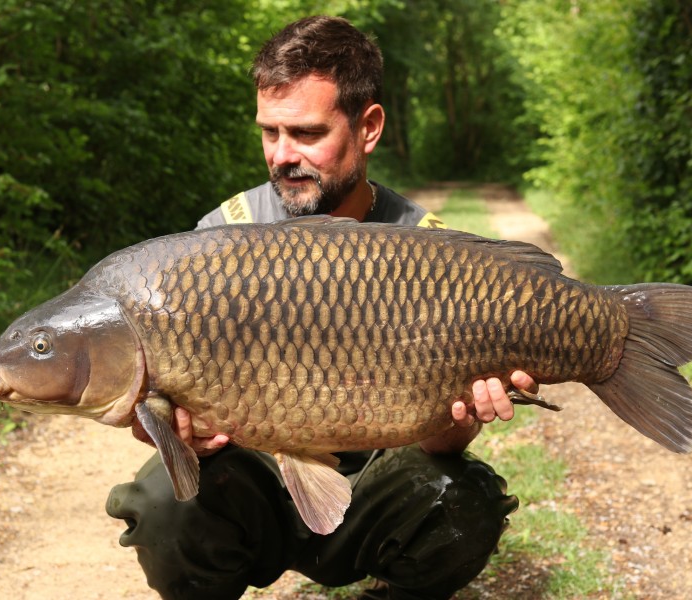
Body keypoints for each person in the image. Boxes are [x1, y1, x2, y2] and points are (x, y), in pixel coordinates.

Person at [106, 15, 538, 600]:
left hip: (373, 489)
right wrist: (172, 431)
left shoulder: (431, 252)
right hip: (260, 483)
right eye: (269, 133)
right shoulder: (218, 241)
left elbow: (432, 450)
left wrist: (453, 426)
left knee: (462, 500)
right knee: (162, 502)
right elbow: (165, 411)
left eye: (307, 133)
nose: (283, 155)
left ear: (369, 127)